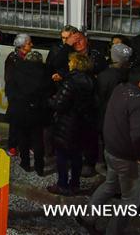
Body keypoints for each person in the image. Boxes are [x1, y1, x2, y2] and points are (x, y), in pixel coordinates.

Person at [82, 67, 140, 235]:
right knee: (130, 201)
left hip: (111, 151)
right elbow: (139, 136)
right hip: (128, 158)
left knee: (110, 185)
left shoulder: (120, 89)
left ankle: (88, 217)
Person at [47, 52, 97, 196]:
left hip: (67, 124)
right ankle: (75, 184)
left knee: (62, 156)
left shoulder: (71, 81)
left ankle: (62, 184)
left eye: (70, 62)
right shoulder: (91, 81)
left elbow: (59, 104)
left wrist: (50, 100)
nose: (68, 64)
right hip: (83, 123)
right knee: (77, 156)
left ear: (75, 64)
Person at [7, 50, 51, 175]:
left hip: (20, 110)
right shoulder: (45, 72)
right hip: (37, 111)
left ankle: (25, 163)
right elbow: (49, 91)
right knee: (38, 139)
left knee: (22, 138)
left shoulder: (18, 70)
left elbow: (10, 89)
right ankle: (39, 167)